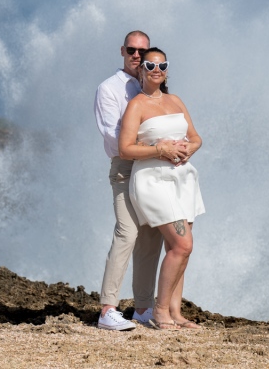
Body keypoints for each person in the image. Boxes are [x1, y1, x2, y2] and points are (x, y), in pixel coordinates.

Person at [118, 47, 205, 330]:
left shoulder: (175, 100)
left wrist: (187, 149)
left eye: (161, 65)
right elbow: (125, 148)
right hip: (153, 180)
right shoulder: (137, 105)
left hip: (183, 179)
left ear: (167, 70)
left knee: (178, 247)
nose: (156, 70)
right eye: (150, 65)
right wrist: (161, 149)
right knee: (183, 243)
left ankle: (175, 313)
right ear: (140, 70)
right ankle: (159, 311)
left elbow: (195, 137)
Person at [94, 30, 171, 331]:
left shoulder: (151, 84)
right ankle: (107, 309)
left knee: (151, 236)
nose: (137, 55)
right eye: (132, 50)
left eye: (143, 50)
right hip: (126, 166)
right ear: (122, 51)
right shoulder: (108, 89)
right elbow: (113, 137)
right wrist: (152, 146)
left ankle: (142, 308)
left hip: (153, 167)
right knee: (127, 232)